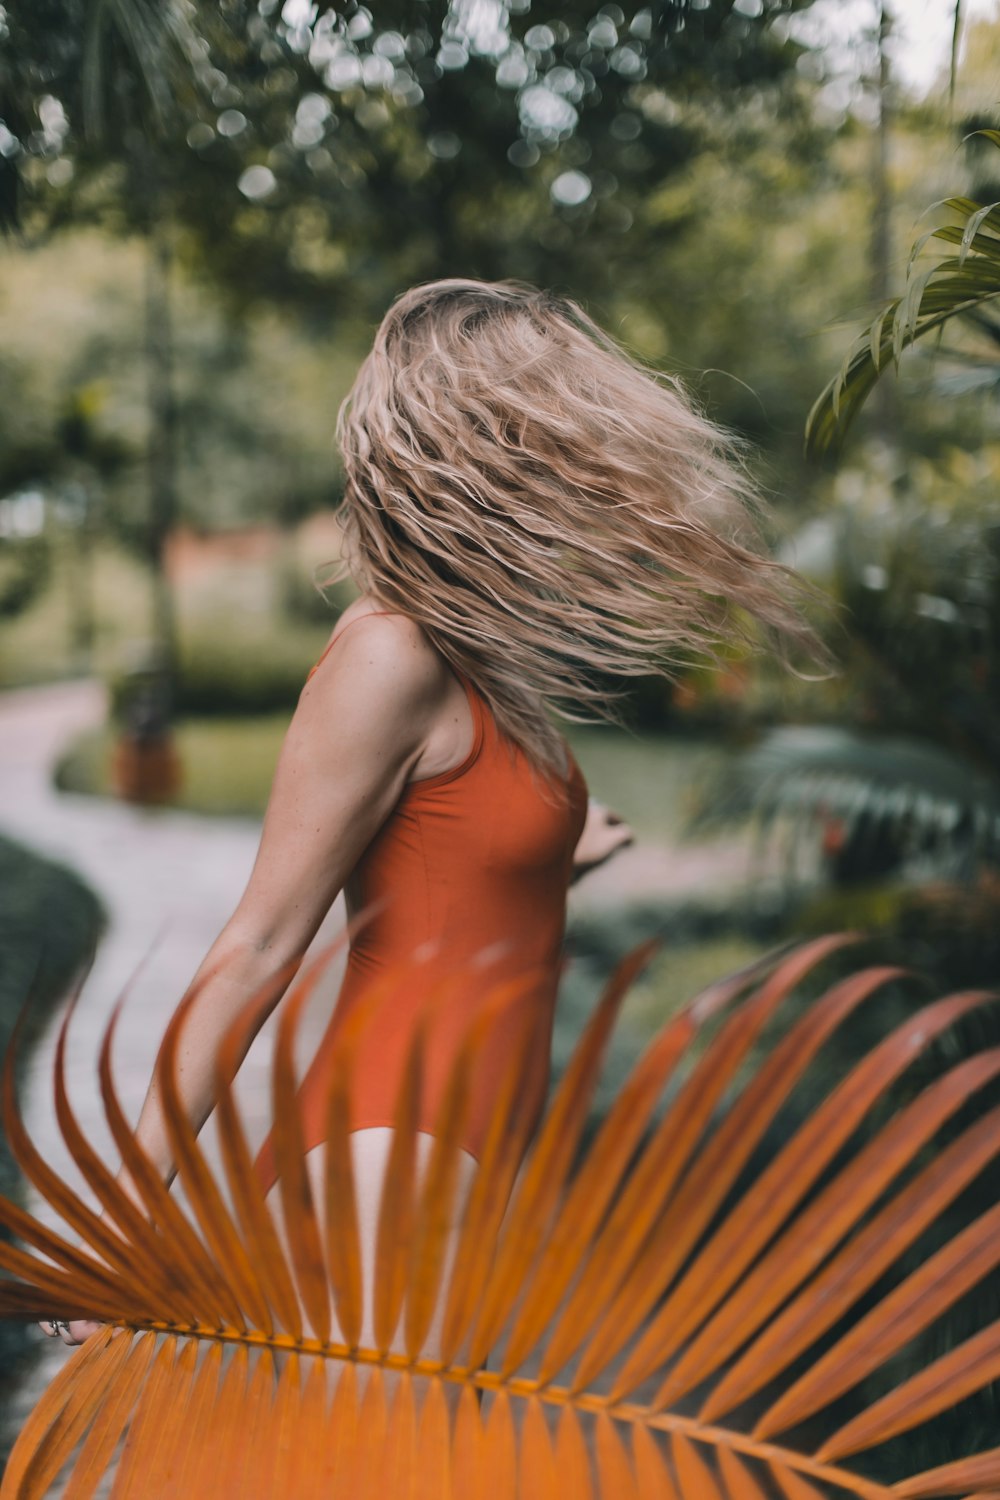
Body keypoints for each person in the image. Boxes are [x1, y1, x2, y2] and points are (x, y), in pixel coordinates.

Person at [40, 278, 827, 1372]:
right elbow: (259, 945)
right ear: (471, 457)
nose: (576, 475)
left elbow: (449, 877)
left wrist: (560, 857)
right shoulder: (389, 656)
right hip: (391, 1143)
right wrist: (115, 1232)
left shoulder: (482, 663)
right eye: (548, 442)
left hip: (478, 1134)